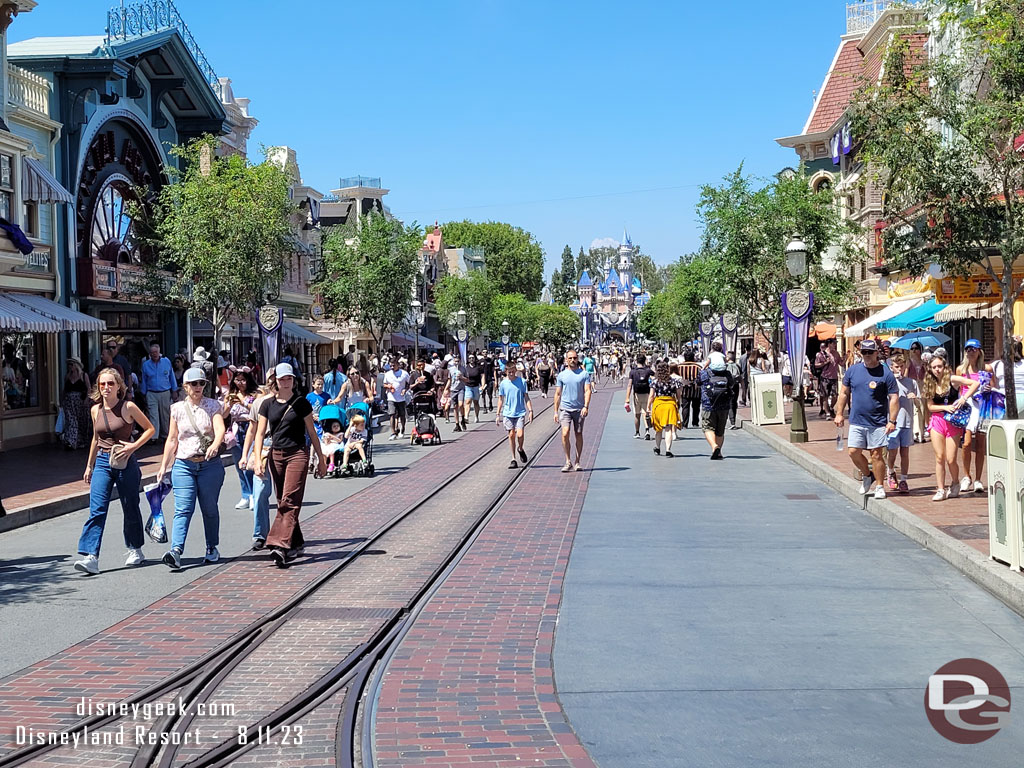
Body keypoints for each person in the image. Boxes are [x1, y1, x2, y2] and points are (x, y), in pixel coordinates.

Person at [73, 368, 156, 575]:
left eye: (110, 383)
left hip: (124, 460)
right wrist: (89, 465)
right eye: (102, 384)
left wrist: (133, 446)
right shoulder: (95, 410)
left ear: (119, 386)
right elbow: (95, 438)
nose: (106, 388)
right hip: (102, 460)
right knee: (97, 508)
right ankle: (91, 556)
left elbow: (150, 429)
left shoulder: (127, 407)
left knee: (130, 506)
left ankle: (135, 548)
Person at [252, 363, 326, 567]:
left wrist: (321, 458)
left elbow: (312, 432)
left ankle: (280, 545)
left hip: (297, 454)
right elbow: (259, 433)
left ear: (294, 380)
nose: (285, 382)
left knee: (290, 499)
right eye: (282, 378)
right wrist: (258, 459)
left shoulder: (301, 403)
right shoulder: (267, 404)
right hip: (276, 455)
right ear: (275, 380)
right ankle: (296, 542)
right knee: (282, 499)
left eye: (289, 379)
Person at [156, 367, 226, 570]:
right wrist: (163, 466)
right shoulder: (176, 408)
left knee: (209, 508)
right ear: (185, 386)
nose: (198, 387)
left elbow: (220, 428)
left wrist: (215, 444)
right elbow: (171, 439)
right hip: (183, 465)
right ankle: (176, 551)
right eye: (193, 384)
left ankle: (211, 547)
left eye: (201, 383)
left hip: (209, 465)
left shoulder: (213, 405)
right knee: (183, 509)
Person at [833, 338, 901, 500]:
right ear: (860, 353)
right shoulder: (853, 371)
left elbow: (894, 398)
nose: (867, 355)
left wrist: (892, 420)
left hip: (877, 422)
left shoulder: (886, 373)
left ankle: (879, 485)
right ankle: (866, 475)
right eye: (864, 352)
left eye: (870, 352)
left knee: (876, 454)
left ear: (877, 353)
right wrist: (839, 413)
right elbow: (844, 393)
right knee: (853, 452)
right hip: (857, 420)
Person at [923, 354, 980, 501]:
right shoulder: (930, 383)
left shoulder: (952, 380)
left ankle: (955, 482)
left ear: (945, 367)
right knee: (939, 457)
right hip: (938, 420)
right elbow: (930, 406)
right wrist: (945, 407)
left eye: (939, 366)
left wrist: (963, 397)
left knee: (951, 458)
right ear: (930, 369)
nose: (937, 370)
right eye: (934, 367)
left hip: (953, 422)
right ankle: (941, 489)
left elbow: (974, 383)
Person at [241, 375, 277, 549]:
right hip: (262, 448)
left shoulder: (291, 401)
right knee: (261, 492)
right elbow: (251, 431)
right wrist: (245, 454)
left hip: (283, 448)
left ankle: (284, 533)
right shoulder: (258, 403)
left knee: (285, 494)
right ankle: (260, 534)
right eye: (274, 381)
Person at [957, 339, 992, 494]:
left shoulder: (986, 368)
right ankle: (966, 476)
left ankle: (978, 478)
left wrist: (990, 387)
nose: (971, 352)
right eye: (968, 349)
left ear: (979, 351)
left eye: (974, 349)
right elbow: (957, 389)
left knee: (980, 444)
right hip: (967, 407)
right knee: (966, 443)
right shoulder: (961, 369)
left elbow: (994, 385)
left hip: (983, 406)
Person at [223, 367, 257, 510]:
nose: (240, 383)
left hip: (251, 428)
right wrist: (230, 404)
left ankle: (254, 495)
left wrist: (243, 401)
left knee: (249, 464)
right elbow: (224, 415)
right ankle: (245, 494)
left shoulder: (256, 394)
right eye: (237, 380)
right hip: (236, 430)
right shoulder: (231, 394)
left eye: (243, 380)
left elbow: (256, 410)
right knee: (239, 465)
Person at [884, 354, 918, 494]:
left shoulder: (911, 382)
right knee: (892, 451)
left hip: (907, 421)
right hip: (893, 422)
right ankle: (891, 472)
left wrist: (915, 397)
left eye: (902, 366)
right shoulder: (888, 382)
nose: (899, 369)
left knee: (905, 452)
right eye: (896, 366)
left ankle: (903, 479)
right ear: (892, 367)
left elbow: (918, 401)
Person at [554, 350, 592, 473]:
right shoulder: (562, 375)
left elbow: (587, 391)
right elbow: (558, 394)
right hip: (565, 408)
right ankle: (567, 461)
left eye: (574, 358)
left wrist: (586, 406)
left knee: (578, 434)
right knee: (565, 433)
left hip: (579, 409)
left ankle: (577, 461)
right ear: (566, 360)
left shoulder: (584, 374)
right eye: (570, 358)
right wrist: (555, 411)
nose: (572, 360)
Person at [496, 360, 533, 468]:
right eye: (509, 372)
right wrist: (498, 414)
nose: (511, 374)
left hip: (520, 412)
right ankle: (513, 458)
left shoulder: (522, 382)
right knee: (511, 435)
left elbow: (526, 397)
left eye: (513, 372)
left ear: (516, 371)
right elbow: (500, 399)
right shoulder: (503, 383)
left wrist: (530, 411)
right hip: (508, 413)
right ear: (506, 372)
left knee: (520, 434)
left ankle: (520, 448)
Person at [698, 355, 736, 460]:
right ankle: (718, 451)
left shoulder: (705, 373)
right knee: (720, 430)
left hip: (708, 404)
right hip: (724, 405)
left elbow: (698, 382)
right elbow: (732, 384)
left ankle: (714, 446)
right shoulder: (727, 374)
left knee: (707, 427)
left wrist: (703, 368)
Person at [140, 343, 177, 443]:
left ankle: (165, 435)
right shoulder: (146, 365)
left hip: (165, 391)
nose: (154, 354)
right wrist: (143, 392)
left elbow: (171, 377)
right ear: (149, 354)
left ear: (159, 352)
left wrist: (174, 390)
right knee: (153, 415)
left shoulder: (166, 362)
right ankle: (154, 437)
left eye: (155, 352)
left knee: (165, 415)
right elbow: (144, 379)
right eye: (152, 353)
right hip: (151, 392)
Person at [647, 361, 681, 457]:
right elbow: (678, 395)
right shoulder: (674, 381)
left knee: (658, 428)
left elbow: (651, 396)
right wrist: (678, 402)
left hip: (659, 405)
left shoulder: (655, 381)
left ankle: (657, 447)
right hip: (670, 404)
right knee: (668, 428)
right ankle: (668, 449)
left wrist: (648, 407)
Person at [60, 357, 92, 450]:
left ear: (76, 365)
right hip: (69, 401)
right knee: (71, 420)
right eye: (69, 365)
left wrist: (87, 399)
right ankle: (71, 441)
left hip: (80, 401)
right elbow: (65, 390)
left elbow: (89, 388)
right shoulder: (67, 376)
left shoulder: (83, 375)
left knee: (81, 421)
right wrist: (62, 401)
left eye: (72, 364)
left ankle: (81, 440)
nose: (70, 367)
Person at [625, 353, 653, 439]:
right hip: (646, 394)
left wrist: (627, 398)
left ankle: (637, 432)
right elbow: (655, 377)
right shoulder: (648, 370)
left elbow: (629, 385)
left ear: (636, 361)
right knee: (646, 413)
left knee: (637, 414)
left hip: (636, 395)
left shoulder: (633, 372)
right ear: (645, 360)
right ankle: (647, 430)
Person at [384, 359, 411, 440]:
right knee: (392, 414)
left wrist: (405, 389)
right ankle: (393, 433)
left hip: (401, 397)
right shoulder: (388, 374)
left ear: (398, 365)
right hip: (391, 397)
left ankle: (402, 430)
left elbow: (408, 383)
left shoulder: (404, 373)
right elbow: (384, 384)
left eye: (393, 365)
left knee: (402, 415)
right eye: (390, 366)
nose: (392, 367)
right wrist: (388, 386)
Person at [815, 338, 841, 420]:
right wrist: (825, 363)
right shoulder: (821, 354)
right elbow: (816, 365)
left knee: (835, 395)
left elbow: (841, 363)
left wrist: (846, 358)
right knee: (825, 396)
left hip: (834, 377)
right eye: (833, 343)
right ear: (829, 344)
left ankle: (831, 408)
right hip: (825, 377)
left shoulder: (836, 353)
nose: (835, 345)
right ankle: (827, 413)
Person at [679, 350, 702, 428]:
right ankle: (695, 423)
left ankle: (685, 424)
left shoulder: (679, 367)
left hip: (684, 389)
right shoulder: (698, 367)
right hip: (696, 389)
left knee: (685, 406)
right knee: (696, 407)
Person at [461, 354, 484, 423]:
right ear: (468, 359)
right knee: (468, 401)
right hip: (468, 386)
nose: (471, 359)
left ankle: (476, 416)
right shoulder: (466, 368)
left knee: (476, 402)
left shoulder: (478, 367)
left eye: (473, 358)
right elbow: (463, 376)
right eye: (470, 358)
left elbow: (482, 376)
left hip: (476, 386)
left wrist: (482, 385)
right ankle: (466, 417)